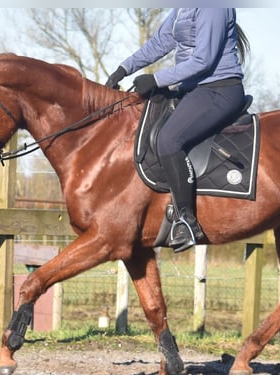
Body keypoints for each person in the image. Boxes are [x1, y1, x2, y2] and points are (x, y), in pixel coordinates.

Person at [106, 8, 249, 253]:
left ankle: (186, 221)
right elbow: (161, 41)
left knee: (169, 140)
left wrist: (157, 79)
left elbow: (203, 60)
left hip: (219, 89)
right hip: (194, 90)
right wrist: (123, 69)